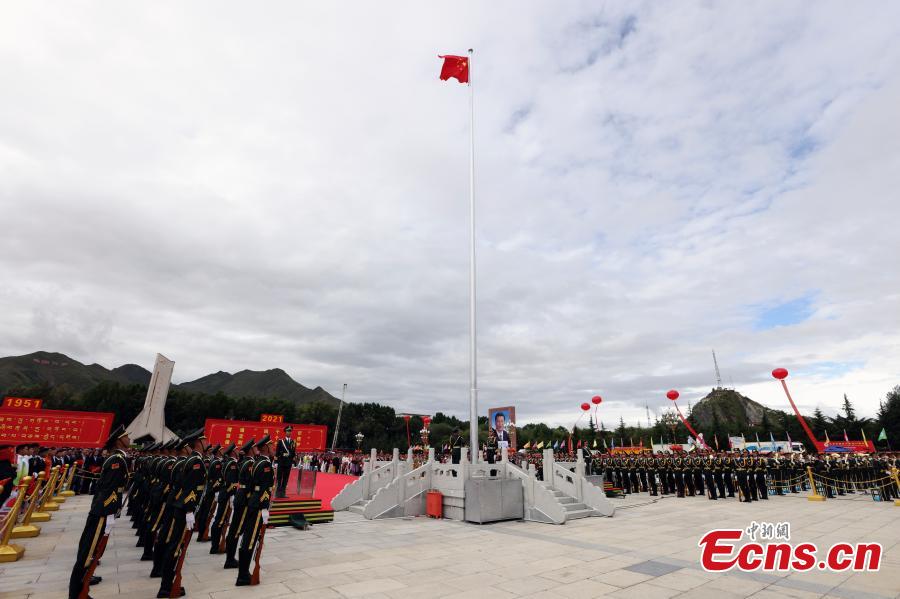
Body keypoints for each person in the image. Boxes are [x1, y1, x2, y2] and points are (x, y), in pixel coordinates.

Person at [67, 425, 130, 599]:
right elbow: (109, 489)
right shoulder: (117, 460)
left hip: (102, 509)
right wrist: (110, 510)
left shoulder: (116, 458)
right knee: (87, 553)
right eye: (126, 437)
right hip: (102, 511)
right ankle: (76, 594)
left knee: (92, 552)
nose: (129, 439)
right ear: (119, 440)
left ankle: (81, 591)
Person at [155, 428, 208, 599]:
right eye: (204, 440)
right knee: (175, 546)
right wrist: (190, 510)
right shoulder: (196, 462)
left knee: (174, 545)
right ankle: (166, 587)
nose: (207, 442)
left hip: (181, 507)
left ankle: (167, 583)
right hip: (184, 509)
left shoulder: (191, 460)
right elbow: (190, 488)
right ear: (198, 443)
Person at [236, 435, 275, 586]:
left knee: (248, 536)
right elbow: (265, 488)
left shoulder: (257, 462)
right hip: (259, 505)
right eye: (271, 446)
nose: (273, 448)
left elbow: (253, 485)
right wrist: (265, 507)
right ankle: (243, 575)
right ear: (265, 448)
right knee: (251, 538)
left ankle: (243, 572)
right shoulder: (265, 464)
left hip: (253, 502)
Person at [275, 426, 296, 498]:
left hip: (288, 463)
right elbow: (277, 453)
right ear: (285, 432)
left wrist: (292, 461)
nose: (289, 432)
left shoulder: (293, 442)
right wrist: (276, 462)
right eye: (288, 431)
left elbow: (293, 453)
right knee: (279, 478)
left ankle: (283, 493)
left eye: (290, 431)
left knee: (286, 478)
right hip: (281, 462)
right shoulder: (281, 441)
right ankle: (277, 493)